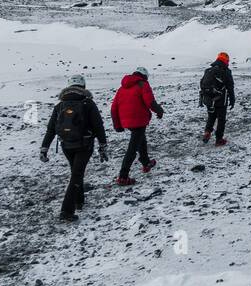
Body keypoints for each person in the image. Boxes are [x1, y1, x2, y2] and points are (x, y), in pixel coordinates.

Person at [39, 74, 108, 221]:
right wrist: (103, 145)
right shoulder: (88, 103)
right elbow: (98, 126)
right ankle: (66, 211)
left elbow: (51, 129)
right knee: (77, 174)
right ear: (83, 86)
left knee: (75, 172)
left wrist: (44, 148)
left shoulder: (59, 106)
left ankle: (79, 201)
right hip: (84, 144)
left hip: (66, 145)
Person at [110, 66, 164, 186]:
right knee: (132, 148)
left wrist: (117, 124)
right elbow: (150, 102)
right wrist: (159, 111)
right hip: (138, 120)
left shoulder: (121, 88)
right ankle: (123, 176)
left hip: (126, 121)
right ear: (144, 76)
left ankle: (146, 163)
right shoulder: (143, 84)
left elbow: (114, 108)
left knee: (140, 139)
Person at [199, 52, 234, 146]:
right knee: (221, 119)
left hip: (208, 99)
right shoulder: (226, 72)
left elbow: (202, 84)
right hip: (221, 99)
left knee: (211, 116)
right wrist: (232, 99)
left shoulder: (208, 70)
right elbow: (230, 87)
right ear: (226, 61)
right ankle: (219, 140)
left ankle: (207, 132)